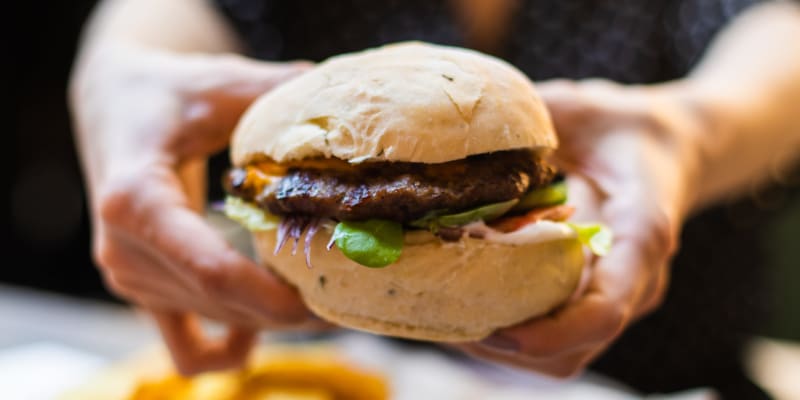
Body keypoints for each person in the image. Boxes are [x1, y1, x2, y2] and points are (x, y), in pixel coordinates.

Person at [68, 0, 800, 397]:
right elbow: (163, 17)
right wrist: (117, 72)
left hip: (662, 376)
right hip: (342, 376)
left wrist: (697, 129)